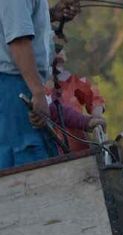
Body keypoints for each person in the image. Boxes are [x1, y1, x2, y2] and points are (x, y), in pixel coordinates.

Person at [0, 0, 81, 168]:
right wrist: (37, 92)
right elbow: (19, 41)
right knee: (26, 161)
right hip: (13, 85)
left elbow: (18, 22)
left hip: (19, 83)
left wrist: (51, 14)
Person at [47, 45, 106, 153]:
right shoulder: (39, 87)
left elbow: (94, 97)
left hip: (81, 150)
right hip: (53, 153)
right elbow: (56, 112)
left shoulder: (73, 80)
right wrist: (86, 122)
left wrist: (97, 118)